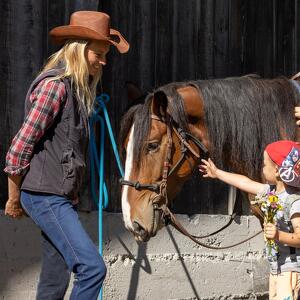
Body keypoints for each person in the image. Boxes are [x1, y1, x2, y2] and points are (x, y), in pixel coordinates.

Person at [4, 11, 129, 300]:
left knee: (54, 276)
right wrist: (13, 196)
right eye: (99, 54)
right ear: (79, 50)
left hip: (56, 196)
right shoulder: (55, 87)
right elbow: (18, 149)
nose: (104, 61)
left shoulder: (75, 90)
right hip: (44, 196)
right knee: (92, 268)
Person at [200, 140, 300, 299]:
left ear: (277, 171)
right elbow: (244, 182)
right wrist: (217, 173)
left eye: (264, 164)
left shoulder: (294, 201)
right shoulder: (271, 192)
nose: (261, 168)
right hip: (277, 268)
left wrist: (278, 235)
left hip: (291, 270)